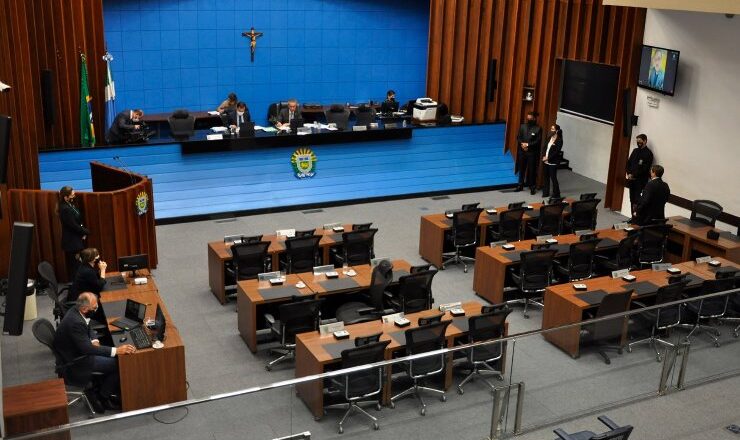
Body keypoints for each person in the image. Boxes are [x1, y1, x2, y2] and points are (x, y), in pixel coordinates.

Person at [54, 292, 136, 411]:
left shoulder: (76, 310)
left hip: (77, 350)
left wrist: (94, 339)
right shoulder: (75, 323)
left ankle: (105, 387)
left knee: (112, 353)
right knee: (119, 364)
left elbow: (88, 325)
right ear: (84, 308)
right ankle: (104, 397)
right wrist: (117, 350)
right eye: (94, 307)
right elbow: (87, 349)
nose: (96, 309)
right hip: (77, 360)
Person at [57, 186, 89, 280]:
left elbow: (78, 220)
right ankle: (77, 288)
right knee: (76, 266)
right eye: (72, 194)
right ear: (65, 197)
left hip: (76, 238)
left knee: (79, 264)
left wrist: (82, 232)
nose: (74, 196)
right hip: (72, 242)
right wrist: (85, 231)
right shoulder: (65, 209)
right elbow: (73, 225)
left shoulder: (71, 204)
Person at [625, 133, 654, 214]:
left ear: (645, 141)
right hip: (631, 180)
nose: (638, 143)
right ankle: (633, 216)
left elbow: (645, 169)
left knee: (638, 200)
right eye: (637, 141)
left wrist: (633, 174)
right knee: (632, 199)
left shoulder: (648, 154)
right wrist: (629, 173)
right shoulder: (635, 151)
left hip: (640, 181)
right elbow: (628, 163)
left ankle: (637, 217)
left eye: (640, 141)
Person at [515, 111, 542, 195]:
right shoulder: (522, 126)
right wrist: (522, 144)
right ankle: (520, 185)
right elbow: (518, 137)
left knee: (532, 170)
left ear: (534, 118)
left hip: (532, 153)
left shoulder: (538, 128)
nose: (529, 119)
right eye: (528, 118)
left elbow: (538, 141)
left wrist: (528, 145)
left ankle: (532, 187)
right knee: (522, 169)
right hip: (522, 152)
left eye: (530, 118)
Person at [542, 124, 563, 198]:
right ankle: (545, 192)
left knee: (553, 178)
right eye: (551, 129)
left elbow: (556, 152)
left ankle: (556, 194)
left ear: (557, 131)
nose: (551, 130)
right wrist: (544, 156)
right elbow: (545, 147)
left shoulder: (559, 140)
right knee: (545, 177)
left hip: (553, 162)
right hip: (545, 161)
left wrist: (548, 158)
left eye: (553, 129)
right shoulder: (549, 138)